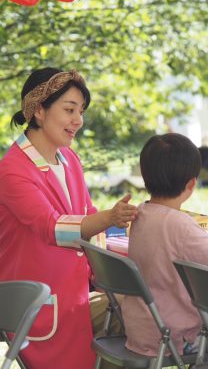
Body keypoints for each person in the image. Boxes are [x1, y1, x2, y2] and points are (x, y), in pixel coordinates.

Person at [0, 67, 138, 369]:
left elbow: (87, 216)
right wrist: (108, 217)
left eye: (81, 111)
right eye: (69, 110)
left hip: (76, 296)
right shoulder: (12, 170)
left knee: (143, 315)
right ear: (39, 111)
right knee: (144, 319)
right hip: (38, 307)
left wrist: (102, 275)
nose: (78, 120)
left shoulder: (69, 159)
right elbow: (54, 229)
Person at [121, 133, 208, 357]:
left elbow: (173, 244)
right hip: (179, 335)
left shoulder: (140, 214)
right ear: (192, 183)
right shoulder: (181, 223)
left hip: (141, 330)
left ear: (145, 178)